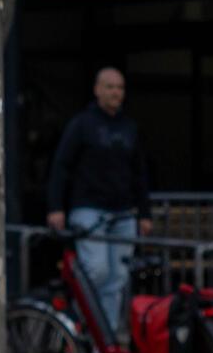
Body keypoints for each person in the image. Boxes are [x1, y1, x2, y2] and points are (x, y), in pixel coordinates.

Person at [46, 66, 152, 339]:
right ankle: (82, 330)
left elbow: (140, 171)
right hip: (89, 210)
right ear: (97, 90)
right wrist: (56, 206)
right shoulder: (82, 124)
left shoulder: (130, 128)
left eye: (120, 88)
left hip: (123, 212)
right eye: (110, 87)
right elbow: (61, 165)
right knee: (96, 271)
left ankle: (106, 338)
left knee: (117, 278)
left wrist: (144, 213)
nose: (116, 93)